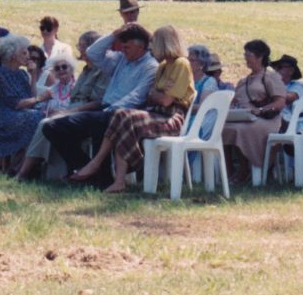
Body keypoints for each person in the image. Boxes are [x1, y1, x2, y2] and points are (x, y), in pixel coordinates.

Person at [70, 25, 195, 192]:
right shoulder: (163, 66)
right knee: (121, 115)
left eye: (155, 42)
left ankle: (99, 164)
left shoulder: (181, 64)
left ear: (165, 42)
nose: (152, 46)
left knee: (123, 117)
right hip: (156, 114)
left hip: (171, 118)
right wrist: (159, 93)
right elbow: (151, 96)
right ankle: (118, 180)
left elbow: (165, 101)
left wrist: (159, 94)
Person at [42, 23, 159, 179]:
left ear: (141, 46)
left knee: (98, 123)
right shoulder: (121, 60)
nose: (123, 50)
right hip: (104, 109)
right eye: (122, 46)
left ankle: (98, 177)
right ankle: (87, 170)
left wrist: (109, 109)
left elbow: (137, 96)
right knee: (51, 126)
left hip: (122, 113)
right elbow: (92, 52)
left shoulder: (150, 66)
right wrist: (113, 35)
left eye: (127, 47)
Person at [16, 31, 111, 180]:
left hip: (88, 114)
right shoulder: (86, 70)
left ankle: (24, 172)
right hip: (73, 110)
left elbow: (99, 102)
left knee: (46, 123)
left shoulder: (103, 71)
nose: (79, 49)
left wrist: (68, 112)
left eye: (82, 46)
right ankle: (69, 169)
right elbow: (42, 96)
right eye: (79, 45)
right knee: (45, 122)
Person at [222, 39, 287, 183]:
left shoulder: (270, 77)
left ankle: (244, 170)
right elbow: (235, 101)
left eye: (249, 54)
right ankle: (229, 171)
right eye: (245, 54)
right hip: (244, 118)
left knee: (239, 130)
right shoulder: (244, 81)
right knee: (223, 129)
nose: (245, 57)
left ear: (260, 56)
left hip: (266, 120)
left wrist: (261, 110)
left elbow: (280, 102)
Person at [0, 34, 45, 173]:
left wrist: (33, 75)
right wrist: (41, 98)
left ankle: (19, 167)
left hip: (23, 114)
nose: (28, 56)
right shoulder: (1, 74)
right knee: (35, 117)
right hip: (6, 116)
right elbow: (16, 104)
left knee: (38, 117)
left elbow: (31, 99)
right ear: (12, 55)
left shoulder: (23, 74)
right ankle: (19, 168)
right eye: (23, 53)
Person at [271, 54, 303, 127]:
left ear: (291, 71)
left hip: (287, 120)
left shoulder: (297, 86)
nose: (276, 70)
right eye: (275, 68)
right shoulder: (270, 85)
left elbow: (289, 98)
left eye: (280, 67)